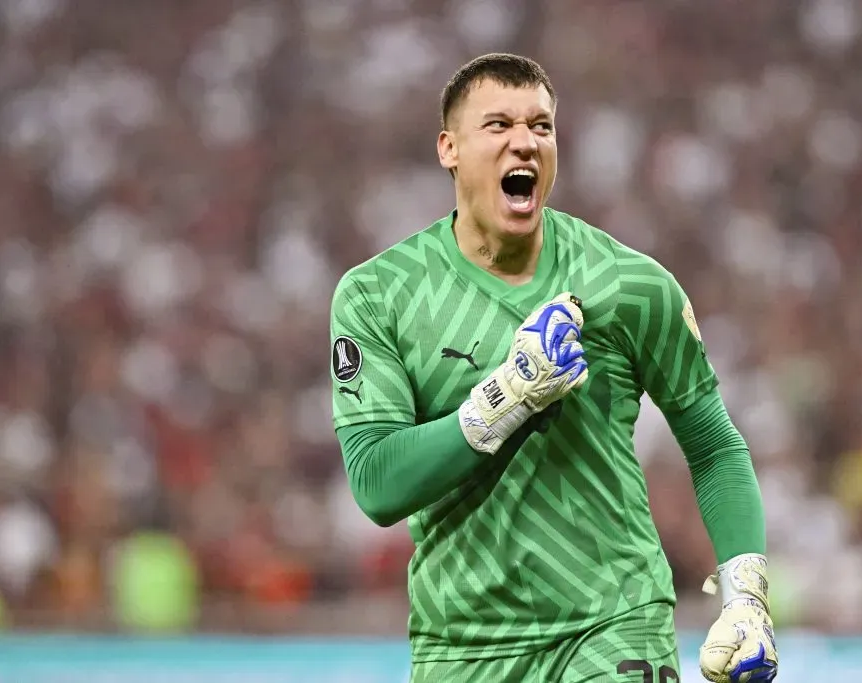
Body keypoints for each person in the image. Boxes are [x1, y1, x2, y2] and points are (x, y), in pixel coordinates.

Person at [330, 53, 778, 683]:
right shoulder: (380, 294)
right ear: (448, 148)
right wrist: (506, 398)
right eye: (499, 125)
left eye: (541, 126)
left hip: (614, 621)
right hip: (464, 646)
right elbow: (377, 485)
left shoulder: (629, 285)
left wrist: (746, 596)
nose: (525, 141)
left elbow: (713, 446)